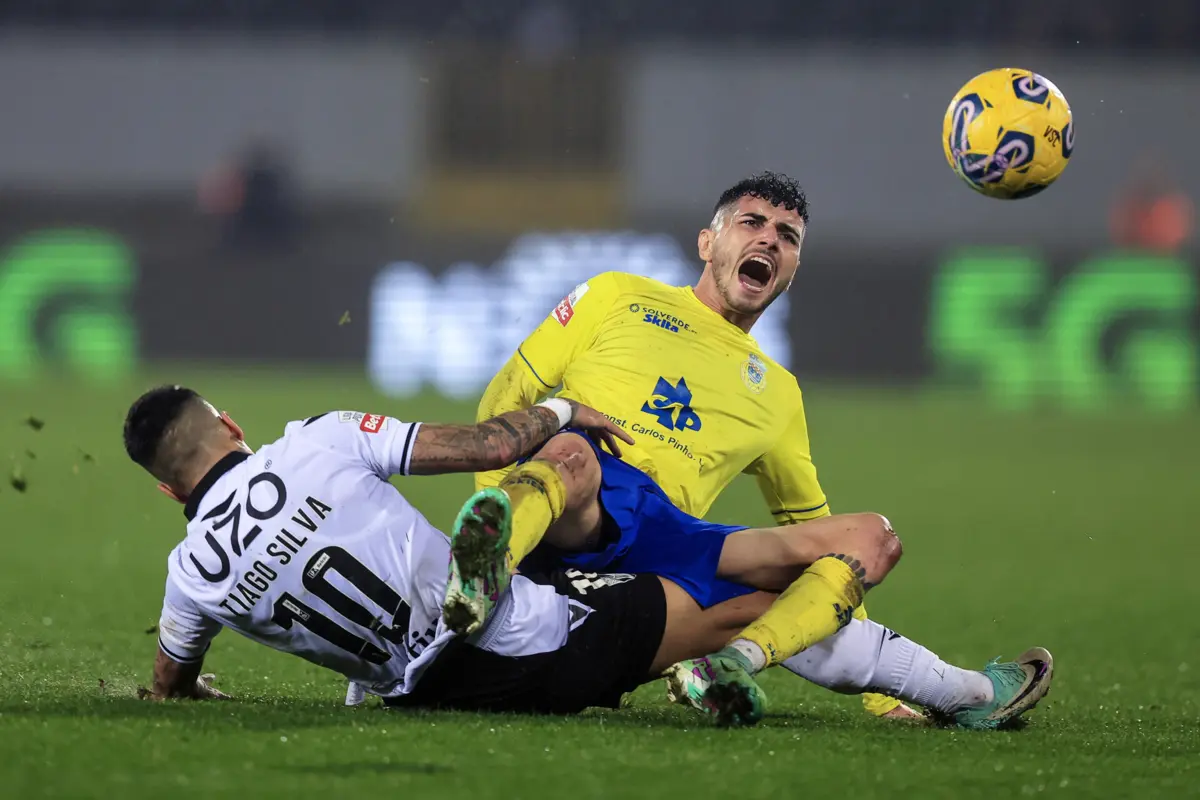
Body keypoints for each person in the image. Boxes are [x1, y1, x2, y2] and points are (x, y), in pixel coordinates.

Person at [462, 171, 1047, 724]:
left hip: (662, 541)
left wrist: (873, 702)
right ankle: (490, 568)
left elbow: (818, 537)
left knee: (869, 539)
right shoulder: (616, 298)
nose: (769, 238)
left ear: (791, 267)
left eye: (786, 236)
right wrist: (508, 511)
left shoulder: (778, 395)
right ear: (707, 242)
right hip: (570, 503)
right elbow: (507, 398)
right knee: (572, 450)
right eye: (752, 223)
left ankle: (737, 666)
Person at [127, 385, 1051, 729]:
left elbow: (172, 675)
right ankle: (963, 695)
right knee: (750, 593)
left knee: (674, 570)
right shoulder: (316, 439)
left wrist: (184, 687)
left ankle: (485, 591)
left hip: (424, 687)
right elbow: (486, 444)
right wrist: (565, 413)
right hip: (527, 643)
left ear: (170, 491)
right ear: (233, 428)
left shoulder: (188, 577)